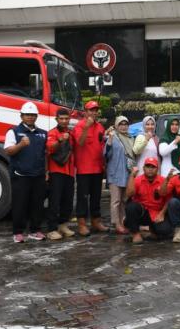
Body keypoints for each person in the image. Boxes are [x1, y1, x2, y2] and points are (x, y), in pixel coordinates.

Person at [5, 101, 48, 243]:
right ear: (21, 116)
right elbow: (8, 151)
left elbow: (45, 154)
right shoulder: (13, 132)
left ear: (36, 116)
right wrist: (21, 144)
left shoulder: (43, 133)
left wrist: (46, 172)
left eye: (33, 115)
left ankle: (35, 231)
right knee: (20, 205)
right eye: (27, 115)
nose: (30, 117)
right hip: (20, 175)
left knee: (37, 205)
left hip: (39, 175)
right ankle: (18, 232)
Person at [73, 100, 108, 236]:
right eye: (91, 110)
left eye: (95, 110)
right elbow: (80, 143)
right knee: (82, 197)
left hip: (98, 168)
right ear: (85, 112)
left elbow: (101, 146)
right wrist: (86, 127)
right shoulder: (79, 126)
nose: (93, 112)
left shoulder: (100, 127)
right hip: (83, 169)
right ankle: (82, 224)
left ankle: (96, 221)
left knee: (96, 197)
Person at [124, 157, 173, 244]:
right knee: (131, 206)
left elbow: (168, 200)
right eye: (148, 166)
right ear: (143, 168)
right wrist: (132, 176)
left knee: (165, 231)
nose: (150, 169)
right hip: (143, 212)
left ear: (157, 169)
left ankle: (153, 229)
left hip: (156, 213)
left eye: (153, 167)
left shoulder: (163, 180)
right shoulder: (138, 180)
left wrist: (162, 214)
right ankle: (135, 233)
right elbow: (129, 194)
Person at [45, 107, 76, 240]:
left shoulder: (71, 133)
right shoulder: (52, 133)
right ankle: (52, 229)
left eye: (66, 118)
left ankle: (63, 225)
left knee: (68, 201)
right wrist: (60, 140)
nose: (64, 121)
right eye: (61, 118)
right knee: (54, 201)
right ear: (56, 119)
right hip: (56, 172)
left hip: (70, 172)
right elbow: (49, 148)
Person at [104, 116, 135, 235]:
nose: (123, 126)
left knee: (124, 200)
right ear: (116, 125)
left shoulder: (131, 138)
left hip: (127, 173)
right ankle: (116, 223)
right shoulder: (113, 137)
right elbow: (106, 155)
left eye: (125, 124)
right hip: (115, 173)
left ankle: (123, 221)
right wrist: (110, 141)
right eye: (121, 124)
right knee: (116, 200)